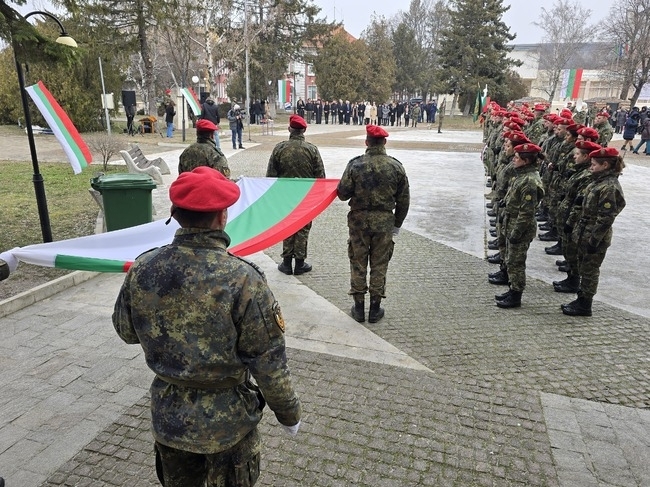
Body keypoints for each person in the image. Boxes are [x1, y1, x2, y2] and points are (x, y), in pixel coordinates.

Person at [112, 166, 302, 487]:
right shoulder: (243, 278)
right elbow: (268, 363)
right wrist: (289, 415)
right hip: (228, 428)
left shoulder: (143, 268)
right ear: (223, 216)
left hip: (170, 420)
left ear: (174, 213)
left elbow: (126, 331)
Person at [337, 124, 410, 323]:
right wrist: (397, 224)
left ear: (367, 142)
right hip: (384, 224)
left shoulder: (355, 165)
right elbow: (404, 200)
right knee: (379, 264)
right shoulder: (395, 167)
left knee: (358, 263)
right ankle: (375, 309)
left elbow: (342, 194)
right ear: (384, 142)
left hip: (359, 223)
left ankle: (359, 308)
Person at [562, 147, 626, 316]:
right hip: (584, 231)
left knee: (590, 270)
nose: (590, 167)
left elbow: (606, 218)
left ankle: (585, 304)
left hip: (594, 235)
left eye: (593, 164)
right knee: (583, 267)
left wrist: (594, 240)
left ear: (605, 165)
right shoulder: (597, 181)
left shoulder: (609, 187)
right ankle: (581, 297)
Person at [266, 114, 325, 275]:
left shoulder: (280, 148)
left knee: (287, 225)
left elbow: (270, 176)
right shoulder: (312, 150)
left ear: (289, 129)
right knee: (302, 227)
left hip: (285, 195)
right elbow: (320, 177)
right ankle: (300, 263)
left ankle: (286, 263)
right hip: (304, 195)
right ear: (304, 130)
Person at [492, 143, 545, 308]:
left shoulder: (529, 181)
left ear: (526, 161)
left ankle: (516, 294)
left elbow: (527, 212)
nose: (513, 160)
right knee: (511, 258)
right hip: (512, 222)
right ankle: (512, 288)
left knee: (516, 261)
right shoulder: (522, 175)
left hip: (520, 226)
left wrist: (516, 232)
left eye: (517, 158)